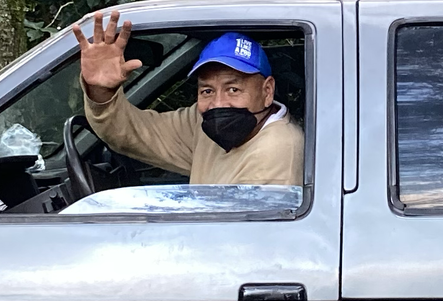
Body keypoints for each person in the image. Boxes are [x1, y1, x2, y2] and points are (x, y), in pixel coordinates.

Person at [73, 16, 305, 185]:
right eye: (207, 91)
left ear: (267, 91)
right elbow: (132, 133)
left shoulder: (276, 152)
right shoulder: (206, 126)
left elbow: (234, 240)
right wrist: (101, 90)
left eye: (233, 89)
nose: (218, 103)